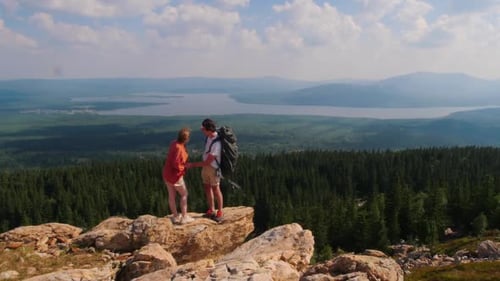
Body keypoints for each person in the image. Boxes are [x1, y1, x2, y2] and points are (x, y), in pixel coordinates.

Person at [189, 118, 224, 222]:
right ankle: (211, 210)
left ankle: (220, 212)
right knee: (207, 187)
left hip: (213, 168)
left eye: (203, 128)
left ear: (209, 130)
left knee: (216, 189)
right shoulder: (209, 137)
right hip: (206, 168)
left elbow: (208, 162)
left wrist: (192, 165)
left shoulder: (217, 143)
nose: (201, 130)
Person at [162, 127, 195, 225]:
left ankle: (175, 216)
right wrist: (184, 167)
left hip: (167, 174)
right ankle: (184, 217)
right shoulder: (180, 148)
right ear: (186, 139)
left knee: (171, 195)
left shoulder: (174, 143)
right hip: (175, 175)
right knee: (184, 194)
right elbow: (176, 164)